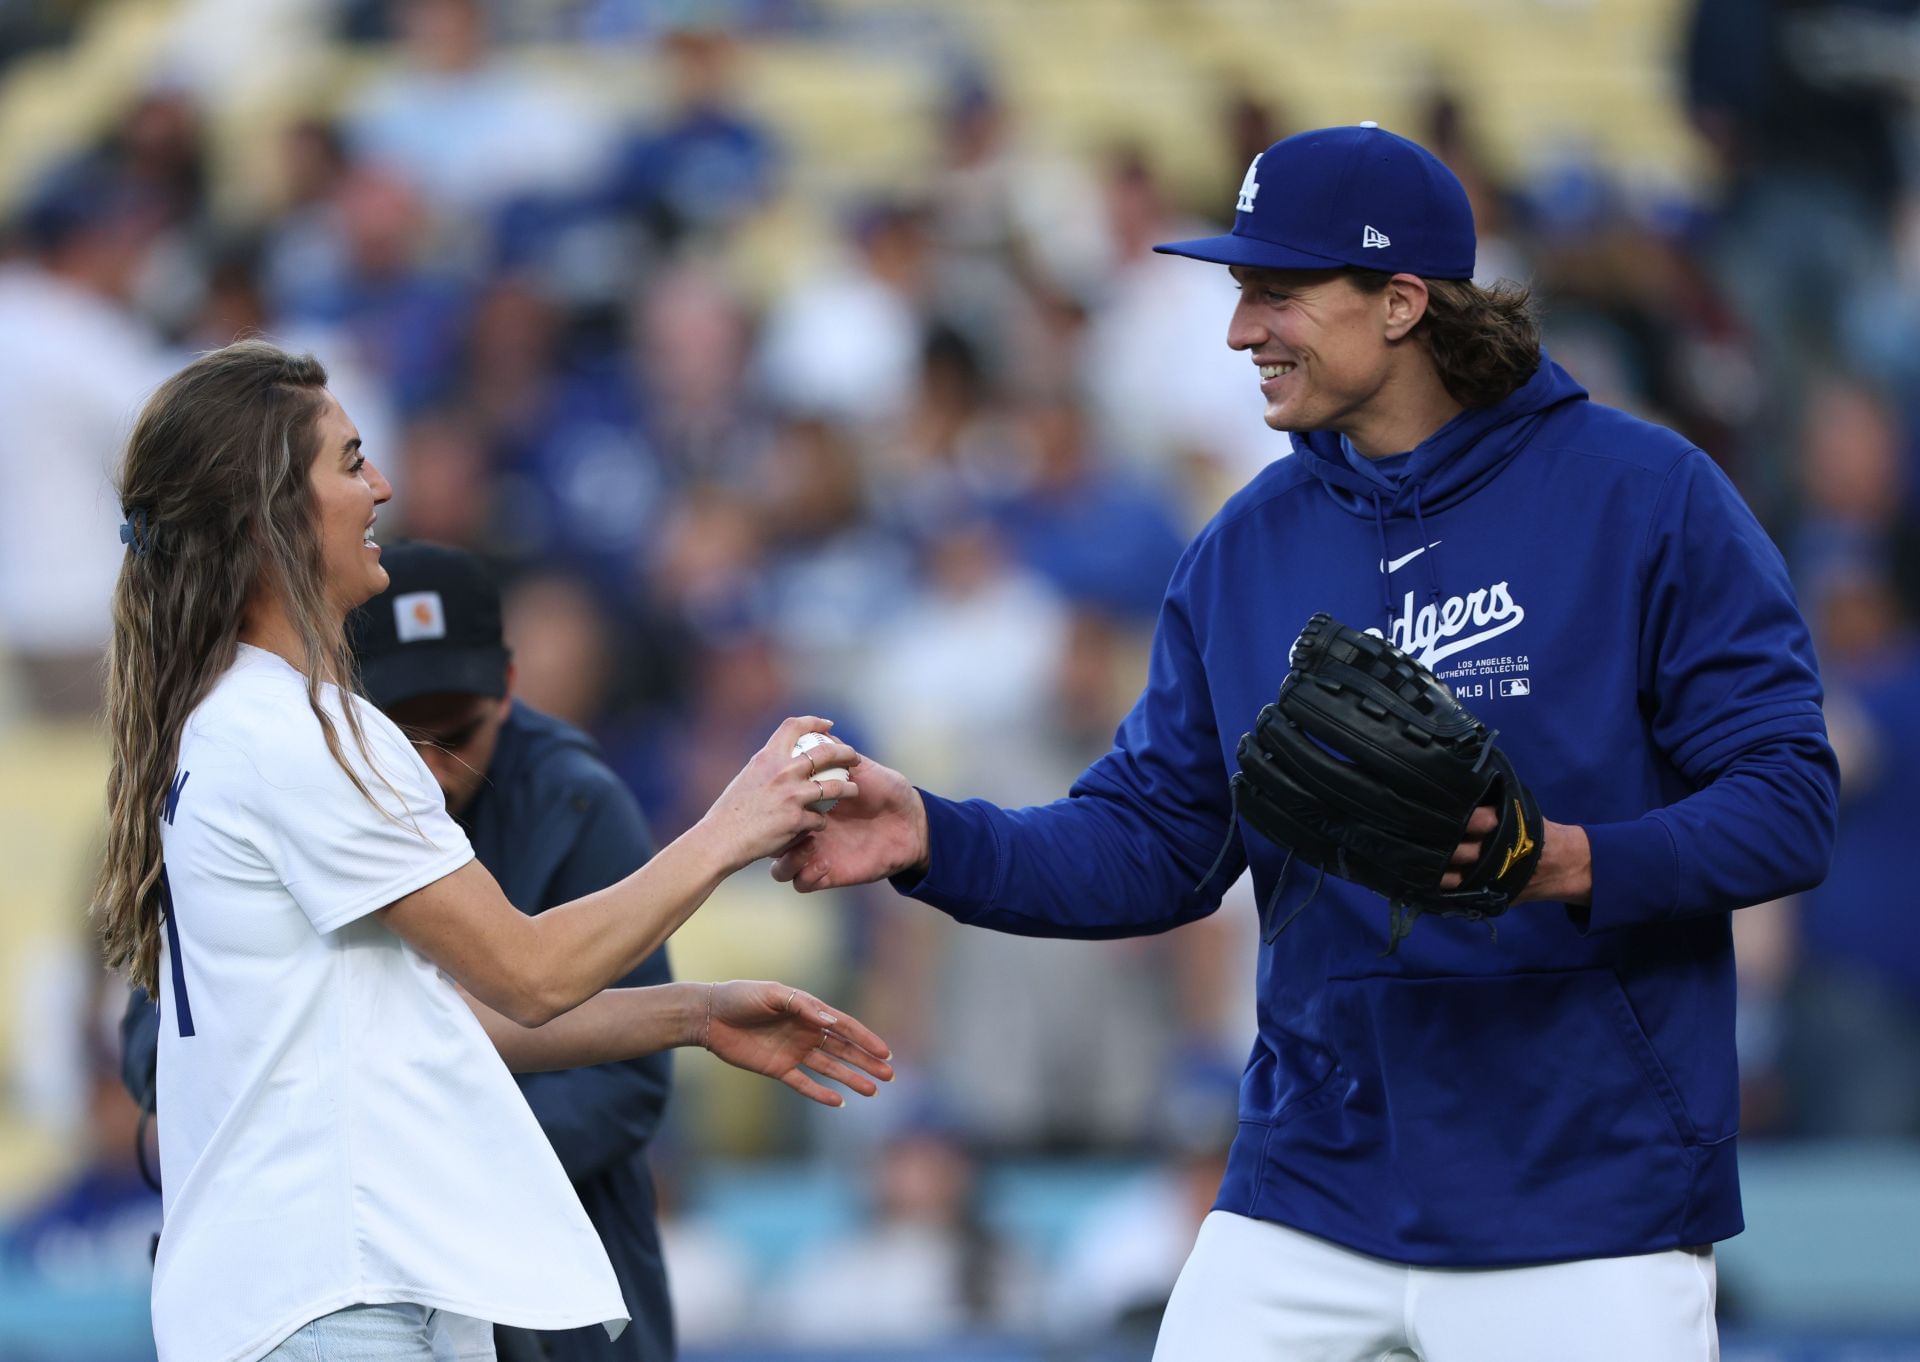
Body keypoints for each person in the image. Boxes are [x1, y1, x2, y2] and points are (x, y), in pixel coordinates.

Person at [773, 124, 1838, 1361]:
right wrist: (934, 836)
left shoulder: (1646, 497)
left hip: (1582, 1182)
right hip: (1313, 1180)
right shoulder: (1245, 550)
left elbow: (1787, 801)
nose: (1240, 331)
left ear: (1400, 301)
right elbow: (1157, 844)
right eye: (1239, 294)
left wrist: (1565, 861)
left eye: (1277, 293)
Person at [96, 339, 893, 1362]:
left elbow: (419, 1023)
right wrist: (733, 825)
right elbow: (527, 972)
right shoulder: (300, 733)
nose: (381, 486)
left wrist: (693, 1012)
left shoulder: (223, 722)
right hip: (334, 1298)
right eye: (347, 463)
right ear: (268, 516)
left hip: (298, 1293)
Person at [120, 538, 685, 1361]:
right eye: (402, 730)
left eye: (459, 730)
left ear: (510, 690)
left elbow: (622, 1086)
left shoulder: (575, 801)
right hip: (330, 1273)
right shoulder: (294, 759)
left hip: (549, 1276)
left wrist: (419, 1165)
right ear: (349, 698)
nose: (432, 765)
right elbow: (159, 1038)